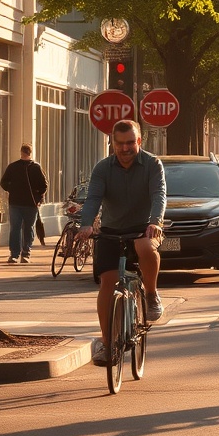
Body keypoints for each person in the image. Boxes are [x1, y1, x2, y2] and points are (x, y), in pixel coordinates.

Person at [75, 120, 166, 366]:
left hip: (143, 227)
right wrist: (86, 224)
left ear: (139, 141)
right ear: (112, 143)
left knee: (145, 247)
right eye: (119, 143)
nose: (125, 148)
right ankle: (107, 343)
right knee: (107, 282)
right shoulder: (103, 168)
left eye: (130, 143)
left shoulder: (152, 164)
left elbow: (159, 194)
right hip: (111, 230)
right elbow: (94, 197)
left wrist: (155, 222)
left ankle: (150, 293)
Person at [0, 143, 48, 264]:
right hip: (29, 204)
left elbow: (4, 182)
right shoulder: (35, 167)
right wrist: (37, 196)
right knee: (27, 228)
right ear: (30, 153)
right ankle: (24, 253)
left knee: (17, 228)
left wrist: (12, 189)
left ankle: (15, 254)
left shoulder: (14, 167)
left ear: (21, 152)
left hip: (18, 203)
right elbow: (44, 185)